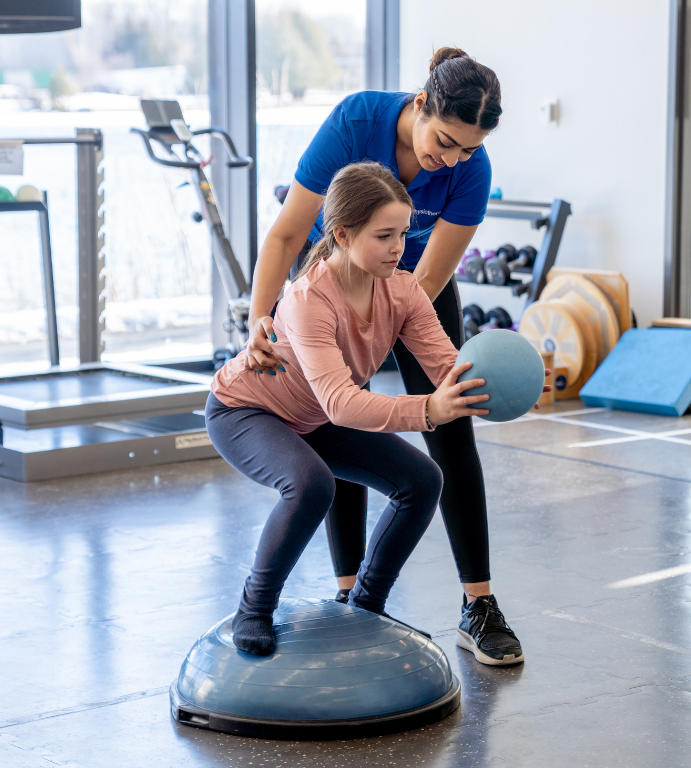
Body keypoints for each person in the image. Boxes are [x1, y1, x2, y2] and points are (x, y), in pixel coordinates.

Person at [242, 47, 524, 665]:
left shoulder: (470, 169)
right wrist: (259, 320)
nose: (450, 159)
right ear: (421, 105)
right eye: (445, 141)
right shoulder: (354, 123)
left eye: (466, 150)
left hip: (412, 283)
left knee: (452, 432)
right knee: (338, 414)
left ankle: (478, 604)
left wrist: (390, 328)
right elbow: (289, 232)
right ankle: (350, 595)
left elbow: (424, 280)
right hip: (333, 274)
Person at [207, 162, 492, 656]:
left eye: (403, 233)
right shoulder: (307, 298)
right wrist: (429, 410)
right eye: (384, 236)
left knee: (422, 480)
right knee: (311, 485)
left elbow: (447, 365)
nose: (398, 248)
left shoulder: (402, 291)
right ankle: (253, 609)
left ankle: (366, 606)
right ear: (342, 233)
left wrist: (495, 386)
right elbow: (341, 402)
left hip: (312, 416)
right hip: (246, 411)